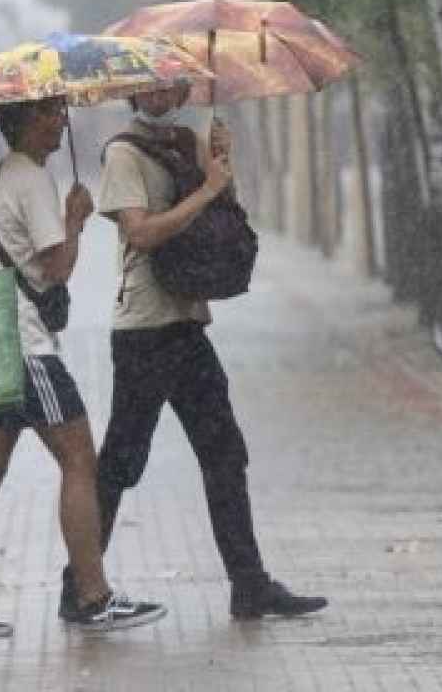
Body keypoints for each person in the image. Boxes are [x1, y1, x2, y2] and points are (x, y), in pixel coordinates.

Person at [85, 83, 329, 621]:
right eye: (145, 87)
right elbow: (141, 233)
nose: (157, 94)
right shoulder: (123, 152)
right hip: (145, 329)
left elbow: (222, 218)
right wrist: (203, 191)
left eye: (166, 84)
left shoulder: (188, 142)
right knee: (122, 462)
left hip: (188, 324)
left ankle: (250, 585)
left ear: (181, 87)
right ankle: (80, 587)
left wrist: (221, 166)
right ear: (132, 93)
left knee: (224, 453)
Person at [0, 95, 166, 635]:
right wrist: (74, 220)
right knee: (79, 462)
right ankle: (92, 597)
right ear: (21, 121)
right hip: (27, 347)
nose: (59, 122)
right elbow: (58, 268)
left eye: (59, 113)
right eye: (49, 114)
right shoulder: (30, 180)